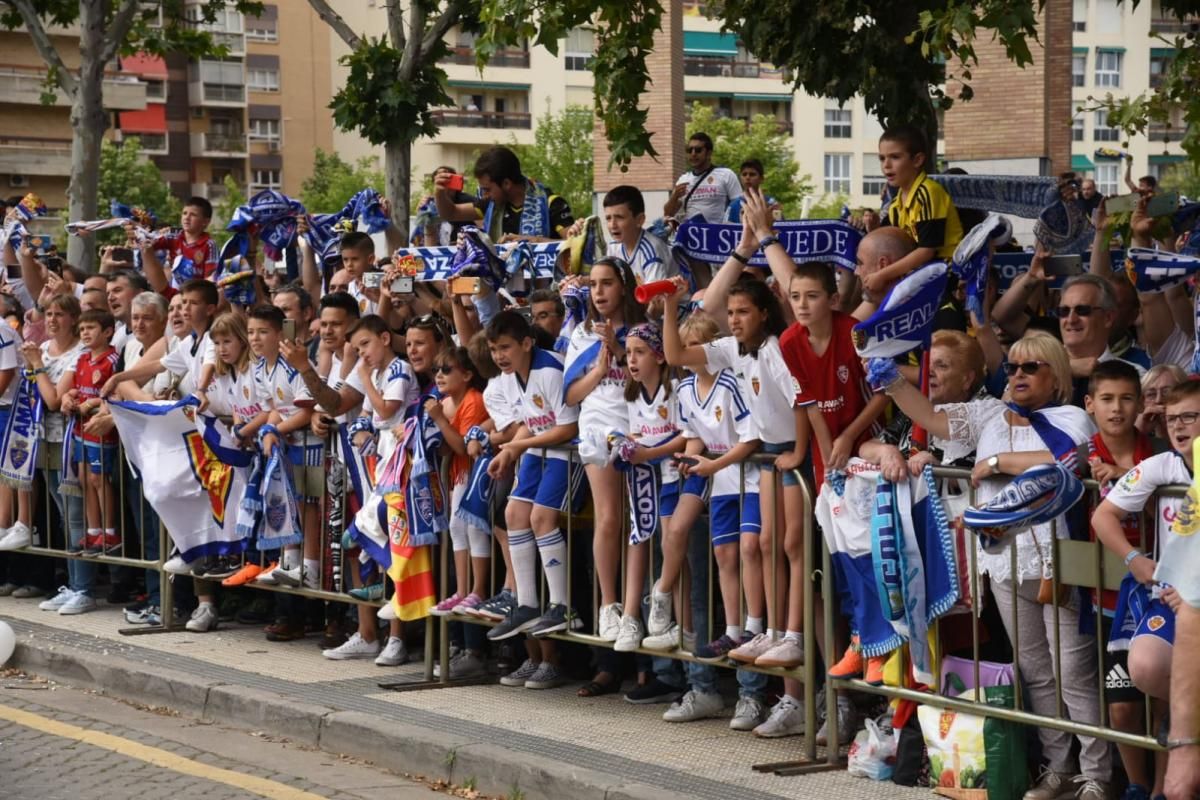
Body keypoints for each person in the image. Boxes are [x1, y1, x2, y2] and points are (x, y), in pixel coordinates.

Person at [886, 331, 1110, 800]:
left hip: (1059, 561)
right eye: (1012, 367)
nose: (1019, 375)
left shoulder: (1071, 416)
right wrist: (890, 382)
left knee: (1074, 672)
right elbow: (929, 416)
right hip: (1004, 562)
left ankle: (1098, 774)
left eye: (1032, 367)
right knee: (1034, 669)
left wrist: (996, 460)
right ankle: (1059, 767)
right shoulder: (989, 413)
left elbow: (1066, 459)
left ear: (1057, 376)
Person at [646, 312, 769, 730]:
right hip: (715, 481)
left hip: (743, 477)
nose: (688, 355)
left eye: (696, 346)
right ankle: (716, 646)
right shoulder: (683, 387)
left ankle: (750, 659)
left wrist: (709, 464)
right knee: (719, 559)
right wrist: (690, 459)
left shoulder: (731, 381)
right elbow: (695, 433)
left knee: (750, 553)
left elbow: (749, 439)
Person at [484, 310, 580, 691]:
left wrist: (517, 444)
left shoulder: (549, 370)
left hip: (565, 452)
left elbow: (567, 426)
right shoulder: (511, 378)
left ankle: (561, 605)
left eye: (505, 347)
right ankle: (526, 601)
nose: (499, 356)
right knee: (512, 512)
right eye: (494, 349)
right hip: (538, 450)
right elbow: (531, 420)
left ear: (526, 343)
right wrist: (510, 451)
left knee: (542, 518)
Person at [1085, 360, 1162, 800]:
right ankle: (1136, 784)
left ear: (1139, 403)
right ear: (1090, 403)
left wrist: (1130, 478)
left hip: (1160, 592)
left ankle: (1164, 789)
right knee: (1123, 707)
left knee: (1161, 702)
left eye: (1126, 398)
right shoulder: (1082, 452)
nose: (1117, 409)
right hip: (1106, 595)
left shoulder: (1157, 452)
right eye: (1108, 399)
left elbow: (1168, 515)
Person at [564, 257, 646, 644]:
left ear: (624, 286)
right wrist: (598, 369)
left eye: (607, 283)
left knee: (638, 524)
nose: (599, 292)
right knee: (610, 518)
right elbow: (570, 396)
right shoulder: (580, 335)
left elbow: (646, 385)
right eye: (594, 284)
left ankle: (633, 611)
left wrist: (619, 351)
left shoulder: (641, 331)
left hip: (638, 430)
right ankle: (609, 605)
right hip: (597, 432)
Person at [612, 323, 685, 652]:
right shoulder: (632, 394)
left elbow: (686, 434)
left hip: (674, 476)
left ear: (658, 354)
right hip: (645, 479)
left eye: (639, 352)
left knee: (673, 544)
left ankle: (663, 593)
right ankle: (656, 615)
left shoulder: (675, 387)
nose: (631, 360)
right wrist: (621, 444)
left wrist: (649, 453)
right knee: (645, 539)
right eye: (628, 353)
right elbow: (633, 435)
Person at [21, 295, 88, 612]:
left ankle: (84, 586)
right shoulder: (44, 349)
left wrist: (36, 366)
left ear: (74, 318)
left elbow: (53, 399)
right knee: (63, 515)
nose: (52, 319)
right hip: (43, 439)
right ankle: (73, 583)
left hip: (69, 441)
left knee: (76, 515)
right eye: (48, 313)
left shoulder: (79, 353)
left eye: (60, 314)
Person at [427, 346, 490, 618]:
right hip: (459, 472)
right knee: (456, 526)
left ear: (466, 375)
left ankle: (477, 589)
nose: (439, 375)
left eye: (446, 369)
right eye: (436, 370)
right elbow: (446, 448)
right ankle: (463, 590)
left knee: (473, 528)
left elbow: (463, 447)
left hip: (474, 471)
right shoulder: (448, 401)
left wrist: (440, 420)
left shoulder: (474, 400)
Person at [863, 124, 963, 295]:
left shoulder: (928, 192)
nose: (886, 165)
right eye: (881, 158)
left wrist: (882, 275)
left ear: (917, 160)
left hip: (947, 272)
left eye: (894, 157)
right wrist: (872, 229)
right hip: (920, 273)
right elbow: (892, 244)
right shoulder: (895, 205)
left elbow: (926, 251)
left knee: (878, 288)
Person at [61, 309, 121, 562]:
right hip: (80, 429)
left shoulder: (113, 359)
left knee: (99, 479)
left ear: (108, 332)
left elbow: (115, 391)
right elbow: (76, 388)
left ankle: (110, 532)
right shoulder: (83, 359)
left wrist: (94, 402)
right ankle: (93, 531)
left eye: (91, 328)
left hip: (100, 429)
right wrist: (68, 397)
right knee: (85, 479)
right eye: (82, 328)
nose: (85, 333)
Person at [433, 145, 574, 243]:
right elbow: (450, 213)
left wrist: (535, 242)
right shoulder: (491, 205)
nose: (484, 195)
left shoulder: (551, 203)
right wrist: (439, 191)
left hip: (544, 285)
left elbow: (574, 245)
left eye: (487, 189)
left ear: (506, 183)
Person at [134, 196, 220, 293]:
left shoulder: (210, 244)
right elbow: (147, 243)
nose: (187, 217)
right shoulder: (173, 237)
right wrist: (138, 231)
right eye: (184, 213)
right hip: (174, 290)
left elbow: (210, 277)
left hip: (197, 294)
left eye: (193, 215)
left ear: (206, 221)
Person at [602, 185, 679, 287]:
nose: (612, 225)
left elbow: (655, 300)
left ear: (639, 220)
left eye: (619, 217)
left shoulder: (651, 252)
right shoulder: (613, 247)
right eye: (608, 218)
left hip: (672, 302)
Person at [663, 132, 742, 224]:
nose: (693, 154)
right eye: (689, 150)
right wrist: (674, 196)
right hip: (691, 235)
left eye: (698, 150)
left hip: (716, 234)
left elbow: (739, 206)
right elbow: (668, 214)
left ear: (709, 153)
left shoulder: (726, 175)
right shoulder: (683, 180)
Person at [1138, 364, 1186, 441]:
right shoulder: (1140, 431)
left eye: (1166, 393)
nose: (1158, 400)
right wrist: (1138, 431)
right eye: (1151, 394)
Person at [725, 159, 779, 223]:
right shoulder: (733, 205)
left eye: (752, 174)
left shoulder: (772, 204)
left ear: (761, 179)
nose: (747, 177)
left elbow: (781, 228)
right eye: (744, 174)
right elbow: (725, 228)